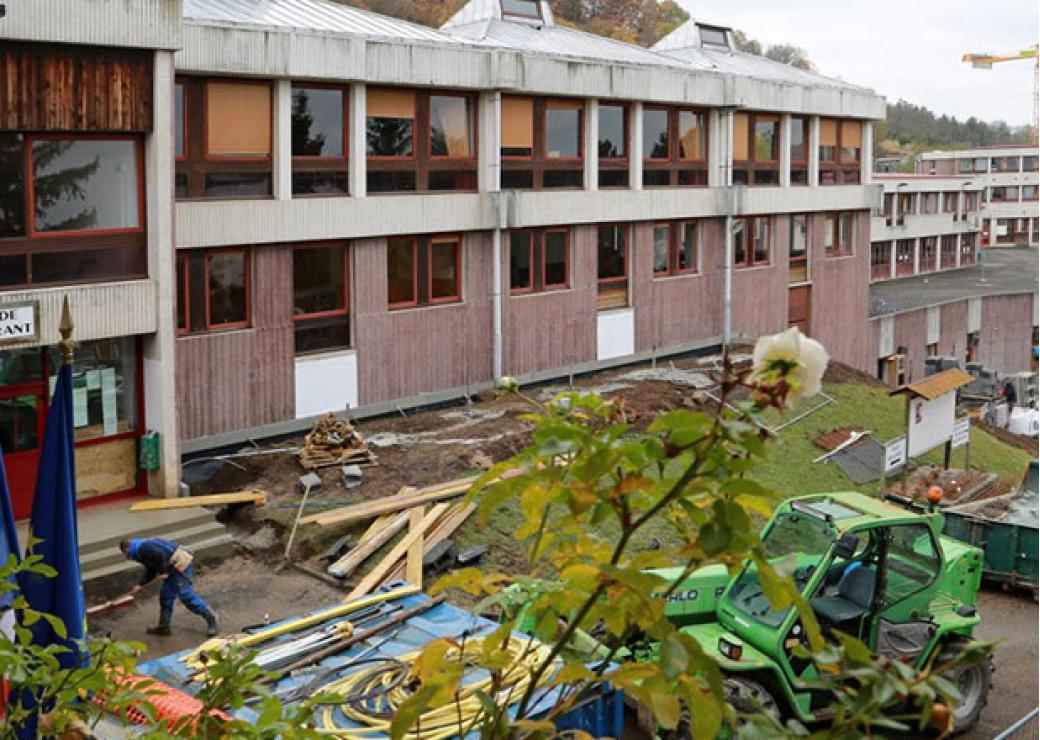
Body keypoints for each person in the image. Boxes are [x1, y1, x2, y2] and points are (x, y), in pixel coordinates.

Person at [119, 538, 219, 637]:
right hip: (171, 567)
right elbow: (150, 569)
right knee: (166, 597)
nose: (126, 556)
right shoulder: (139, 550)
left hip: (180, 565)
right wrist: (140, 584)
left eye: (124, 553)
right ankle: (164, 627)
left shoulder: (144, 548)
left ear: (126, 549)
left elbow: (160, 555)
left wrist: (165, 571)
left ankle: (212, 619)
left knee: (186, 596)